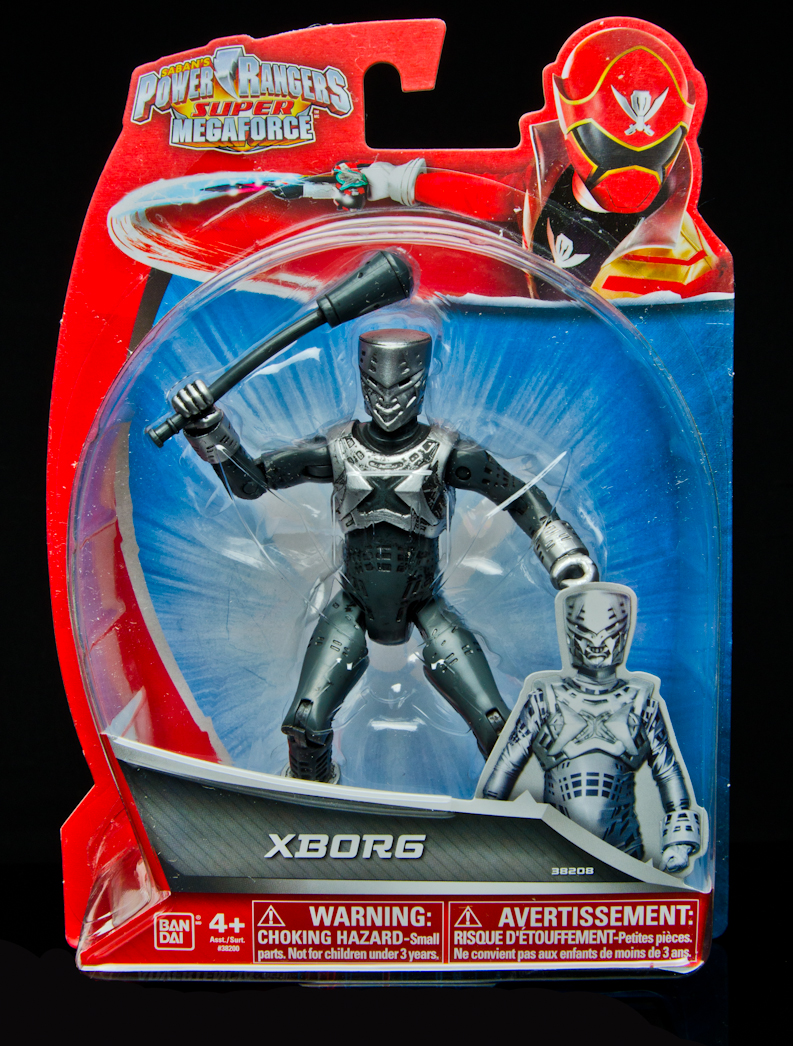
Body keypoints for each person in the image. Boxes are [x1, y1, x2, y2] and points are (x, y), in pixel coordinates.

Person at [171, 328, 598, 782]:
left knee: (495, 723)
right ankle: (309, 798)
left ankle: (527, 798)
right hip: (352, 603)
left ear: (421, 380)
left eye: (402, 385)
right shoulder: (338, 448)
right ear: (363, 380)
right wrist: (208, 428)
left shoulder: (446, 452)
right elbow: (250, 482)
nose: (389, 397)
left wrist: (560, 549)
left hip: (425, 604)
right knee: (306, 724)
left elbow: (516, 493)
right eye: (377, 385)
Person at [480, 583, 703, 873]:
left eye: (608, 635)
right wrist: (487, 827)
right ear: (571, 637)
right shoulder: (544, 698)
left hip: (623, 851)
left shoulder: (641, 701)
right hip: (555, 848)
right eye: (586, 635)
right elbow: (506, 766)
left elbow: (667, 770)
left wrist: (679, 840)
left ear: (622, 635)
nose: (597, 645)